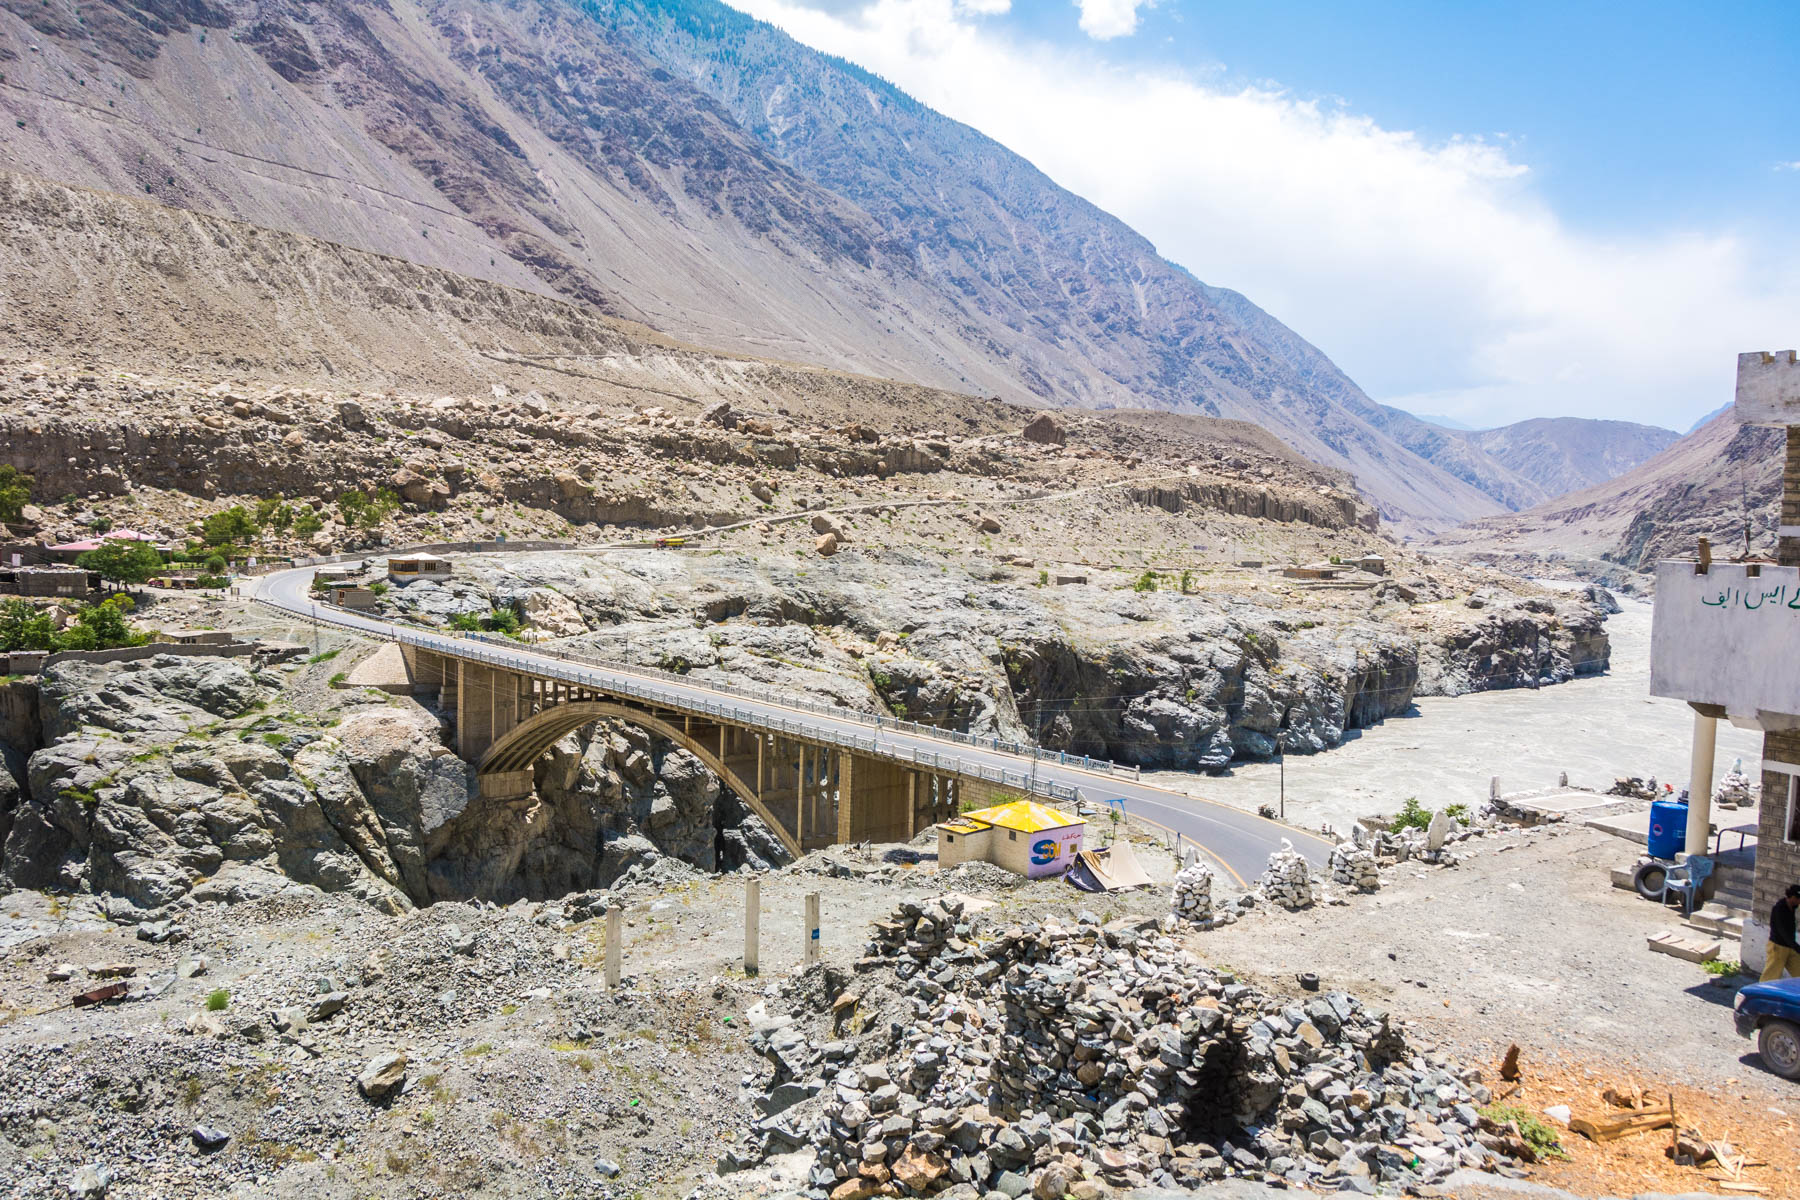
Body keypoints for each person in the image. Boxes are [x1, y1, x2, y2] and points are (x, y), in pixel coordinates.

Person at [1761, 885, 1800, 982]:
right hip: (1778, 948)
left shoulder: (1792, 906)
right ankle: (1762, 994)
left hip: (1789, 947)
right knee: (1770, 976)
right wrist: (1796, 947)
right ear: (1793, 897)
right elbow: (1782, 931)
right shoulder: (1779, 908)